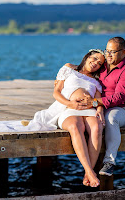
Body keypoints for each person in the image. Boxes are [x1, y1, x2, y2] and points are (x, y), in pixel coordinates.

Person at [23, 49, 106, 187]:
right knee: (75, 126)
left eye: (100, 63)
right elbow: (56, 92)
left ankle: (88, 172)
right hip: (68, 109)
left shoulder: (96, 81)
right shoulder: (69, 68)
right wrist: (70, 104)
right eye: (95, 58)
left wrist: (100, 110)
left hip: (89, 110)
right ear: (88, 56)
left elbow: (98, 100)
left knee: (97, 127)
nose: (96, 63)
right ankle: (90, 172)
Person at [82, 37, 125, 177]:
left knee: (111, 117)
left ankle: (109, 162)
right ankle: (87, 165)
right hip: (101, 106)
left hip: (123, 111)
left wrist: (94, 103)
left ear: (123, 52)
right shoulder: (103, 65)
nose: (108, 55)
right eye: (107, 51)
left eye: (113, 52)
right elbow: (86, 70)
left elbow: (118, 98)